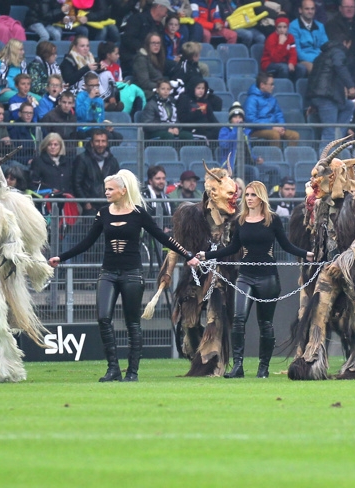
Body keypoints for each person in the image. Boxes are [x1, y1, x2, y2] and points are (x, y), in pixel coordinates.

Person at [49, 170, 198, 382]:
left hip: (132, 273)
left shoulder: (138, 214)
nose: (106, 192)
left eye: (110, 189)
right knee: (103, 317)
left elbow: (162, 237)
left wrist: (188, 255)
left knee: (132, 324)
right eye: (106, 189)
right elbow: (87, 242)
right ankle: (113, 369)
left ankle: (132, 371)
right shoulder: (103, 213)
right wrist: (61, 258)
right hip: (108, 272)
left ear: (123, 190)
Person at [197, 181, 312, 378]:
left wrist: (307, 254)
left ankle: (263, 367)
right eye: (247, 195)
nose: (249, 198)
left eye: (253, 195)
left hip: (268, 277)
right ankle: (238, 366)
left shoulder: (272, 220)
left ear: (261, 197)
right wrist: (206, 256)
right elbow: (232, 249)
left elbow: (286, 245)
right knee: (239, 319)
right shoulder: (240, 221)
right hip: (245, 276)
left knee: (265, 323)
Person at [306, 34, 355, 142]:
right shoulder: (338, 52)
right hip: (327, 97)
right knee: (329, 132)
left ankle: (338, 138)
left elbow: (315, 78)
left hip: (321, 96)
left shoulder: (321, 55)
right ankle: (326, 158)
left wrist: (313, 102)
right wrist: (350, 86)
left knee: (349, 105)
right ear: (347, 43)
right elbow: (339, 66)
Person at [72, 128, 120, 215]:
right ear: (92, 143)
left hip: (109, 206)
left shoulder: (112, 160)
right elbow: (76, 183)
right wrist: (85, 203)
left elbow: (118, 182)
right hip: (90, 207)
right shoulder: (82, 159)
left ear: (107, 143)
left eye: (103, 141)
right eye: (97, 141)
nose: (100, 144)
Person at [246, 72, 300, 146]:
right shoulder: (251, 99)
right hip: (256, 130)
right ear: (262, 85)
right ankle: (275, 157)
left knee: (294, 135)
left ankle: (291, 157)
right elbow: (251, 120)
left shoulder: (272, 99)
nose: (273, 86)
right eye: (271, 84)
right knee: (274, 135)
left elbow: (278, 114)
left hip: (273, 127)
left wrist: (281, 127)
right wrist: (271, 127)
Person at [121, 0, 169, 72]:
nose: (166, 15)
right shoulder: (137, 19)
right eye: (166, 11)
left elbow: (163, 44)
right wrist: (145, 48)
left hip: (155, 59)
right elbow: (128, 39)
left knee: (174, 66)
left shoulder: (160, 27)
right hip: (134, 58)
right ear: (159, 7)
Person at [0, 40, 27, 104]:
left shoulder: (22, 66)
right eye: (21, 50)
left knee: (39, 99)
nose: (23, 52)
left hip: (21, 92)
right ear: (13, 51)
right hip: (1, 94)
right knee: (24, 99)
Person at [289, 0, 328, 74]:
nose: (310, 11)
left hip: (320, 59)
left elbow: (326, 46)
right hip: (303, 60)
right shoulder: (293, 26)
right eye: (307, 9)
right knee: (316, 69)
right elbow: (297, 52)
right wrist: (317, 59)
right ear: (300, 10)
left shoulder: (320, 26)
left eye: (312, 9)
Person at [133, 33, 170, 99]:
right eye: (153, 43)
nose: (156, 46)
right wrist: (162, 87)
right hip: (146, 92)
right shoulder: (141, 59)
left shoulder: (158, 57)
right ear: (148, 44)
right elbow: (144, 83)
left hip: (158, 88)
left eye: (158, 43)